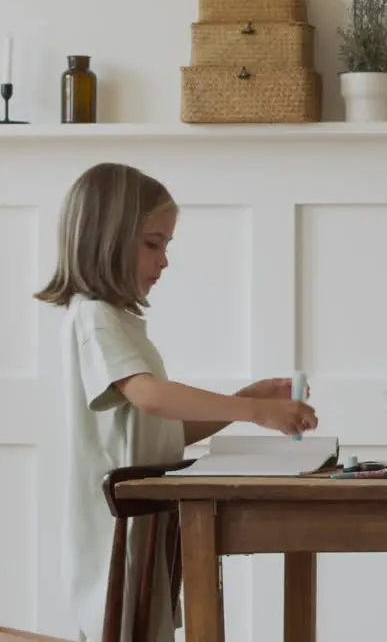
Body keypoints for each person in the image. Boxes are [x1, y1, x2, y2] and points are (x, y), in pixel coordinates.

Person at [34, 163, 319, 642]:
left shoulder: (117, 323)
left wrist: (240, 400)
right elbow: (150, 398)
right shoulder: (95, 319)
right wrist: (255, 412)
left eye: (166, 245)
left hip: (141, 522)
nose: (163, 260)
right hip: (114, 530)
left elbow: (164, 431)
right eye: (152, 244)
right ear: (105, 238)